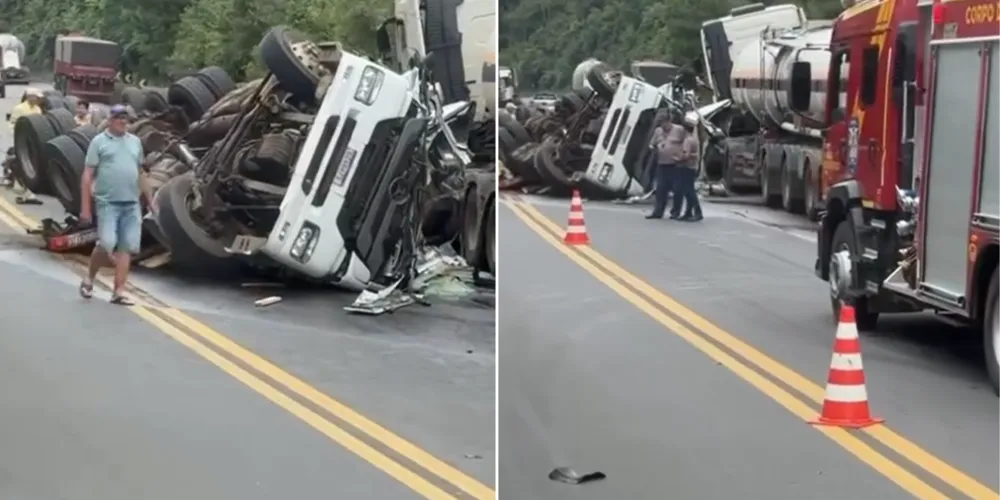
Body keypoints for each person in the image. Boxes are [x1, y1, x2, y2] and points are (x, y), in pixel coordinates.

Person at [78, 104, 154, 305]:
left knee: (126, 247)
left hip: (131, 204)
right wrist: (85, 208)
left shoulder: (135, 142)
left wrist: (151, 201)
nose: (123, 122)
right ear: (110, 120)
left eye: (126, 119)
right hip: (107, 202)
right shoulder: (99, 142)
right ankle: (89, 278)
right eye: (119, 118)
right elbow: (87, 175)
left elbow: (140, 173)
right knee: (106, 244)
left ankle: (118, 291)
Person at [6, 88, 44, 203]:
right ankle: (25, 191)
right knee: (22, 165)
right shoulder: (19, 109)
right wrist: (18, 138)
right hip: (21, 142)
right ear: (29, 97)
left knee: (32, 166)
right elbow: (12, 124)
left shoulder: (38, 109)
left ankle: (28, 191)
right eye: (36, 97)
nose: (38, 99)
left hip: (33, 142)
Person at [645, 114, 686, 219]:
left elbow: (687, 143)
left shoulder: (679, 130)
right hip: (662, 163)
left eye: (664, 123)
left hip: (676, 164)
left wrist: (683, 156)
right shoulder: (658, 131)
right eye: (660, 123)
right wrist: (654, 147)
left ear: (669, 121)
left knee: (677, 189)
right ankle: (658, 212)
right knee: (661, 189)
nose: (662, 125)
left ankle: (675, 212)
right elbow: (651, 144)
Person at [670, 122, 703, 222]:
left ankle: (698, 212)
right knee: (688, 191)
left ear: (685, 130)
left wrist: (676, 159)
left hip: (687, 168)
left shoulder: (687, 141)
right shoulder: (694, 140)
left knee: (689, 191)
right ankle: (688, 213)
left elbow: (686, 155)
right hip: (692, 168)